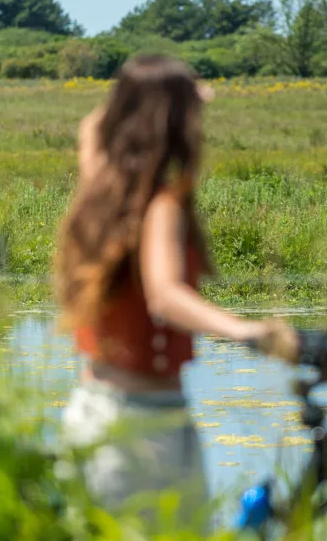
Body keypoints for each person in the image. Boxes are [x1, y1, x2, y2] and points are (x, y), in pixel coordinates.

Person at [53, 54, 298, 526]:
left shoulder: (103, 188)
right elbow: (164, 295)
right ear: (173, 122)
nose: (199, 127)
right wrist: (250, 332)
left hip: (93, 415)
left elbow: (91, 128)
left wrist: (135, 100)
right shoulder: (162, 204)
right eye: (193, 114)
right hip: (149, 429)